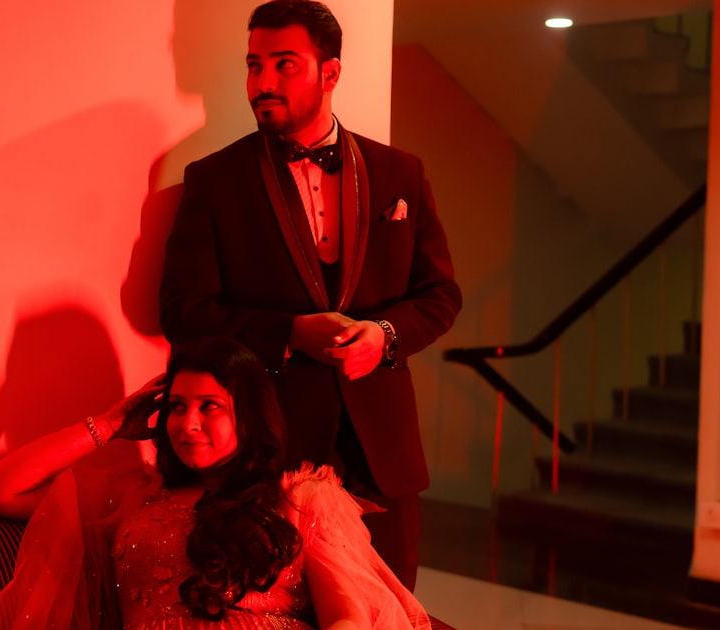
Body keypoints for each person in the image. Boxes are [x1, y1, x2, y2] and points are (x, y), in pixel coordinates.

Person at [159, 0, 461, 590]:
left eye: (284, 64)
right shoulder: (214, 180)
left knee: (390, 611)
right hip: (269, 454)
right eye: (254, 65)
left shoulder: (401, 172)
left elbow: (440, 294)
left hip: (382, 459)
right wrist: (291, 333)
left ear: (331, 72)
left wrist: (384, 336)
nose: (263, 82)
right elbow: (182, 313)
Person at [0, 337, 431, 630]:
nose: (187, 423)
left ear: (249, 416)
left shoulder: (301, 497)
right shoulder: (135, 493)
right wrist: (109, 425)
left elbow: (347, 617)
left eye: (209, 406)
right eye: (177, 406)